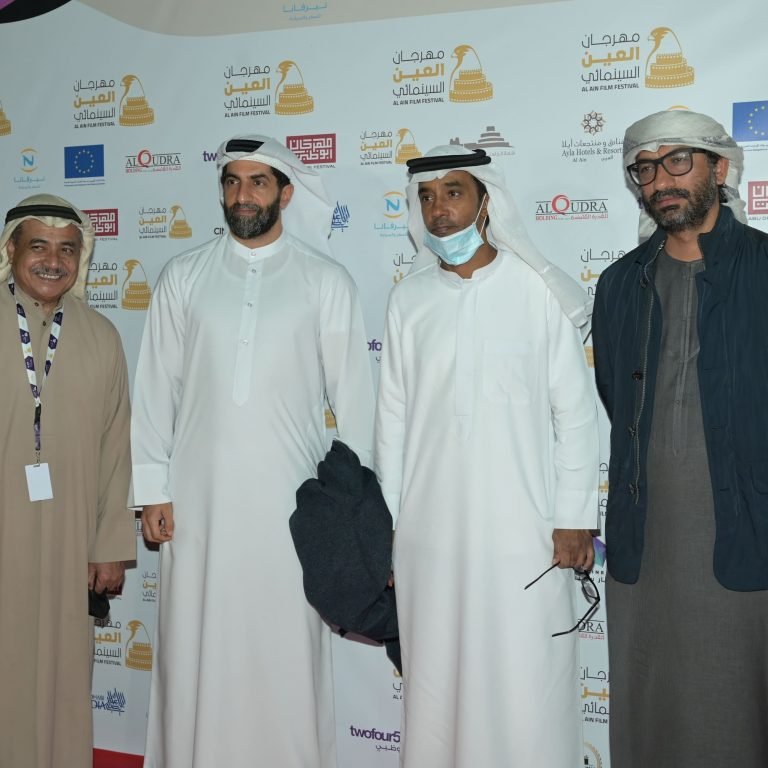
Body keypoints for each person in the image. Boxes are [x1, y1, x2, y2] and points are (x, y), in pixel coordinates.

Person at [131, 135, 374, 768]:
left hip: (293, 511)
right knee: (195, 645)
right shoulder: (183, 276)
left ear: (285, 194)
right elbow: (155, 389)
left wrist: (358, 516)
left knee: (283, 651)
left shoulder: (325, 281)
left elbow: (356, 405)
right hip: (197, 506)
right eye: (232, 181)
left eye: (258, 182)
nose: (243, 194)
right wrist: (152, 489)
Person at [374, 146, 599, 767]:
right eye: (427, 196)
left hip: (522, 534)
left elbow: (576, 414)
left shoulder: (536, 291)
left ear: (486, 202)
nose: (438, 210)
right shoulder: (408, 300)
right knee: (435, 682)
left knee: (526, 682)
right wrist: (386, 529)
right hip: (428, 539)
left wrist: (574, 517)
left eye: (453, 192)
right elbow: (391, 423)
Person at [592, 108, 768, 767]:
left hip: (750, 532)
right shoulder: (620, 284)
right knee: (652, 711)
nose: (660, 180)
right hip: (647, 535)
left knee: (740, 711)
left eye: (678, 161)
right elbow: (615, 396)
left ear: (719, 169)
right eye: (644, 168)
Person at [0, 194, 134, 768]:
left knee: (63, 674)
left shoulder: (102, 336)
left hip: (70, 542)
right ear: (11, 250)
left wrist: (109, 547)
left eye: (67, 250)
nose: (53, 261)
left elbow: (117, 448)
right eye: (39, 246)